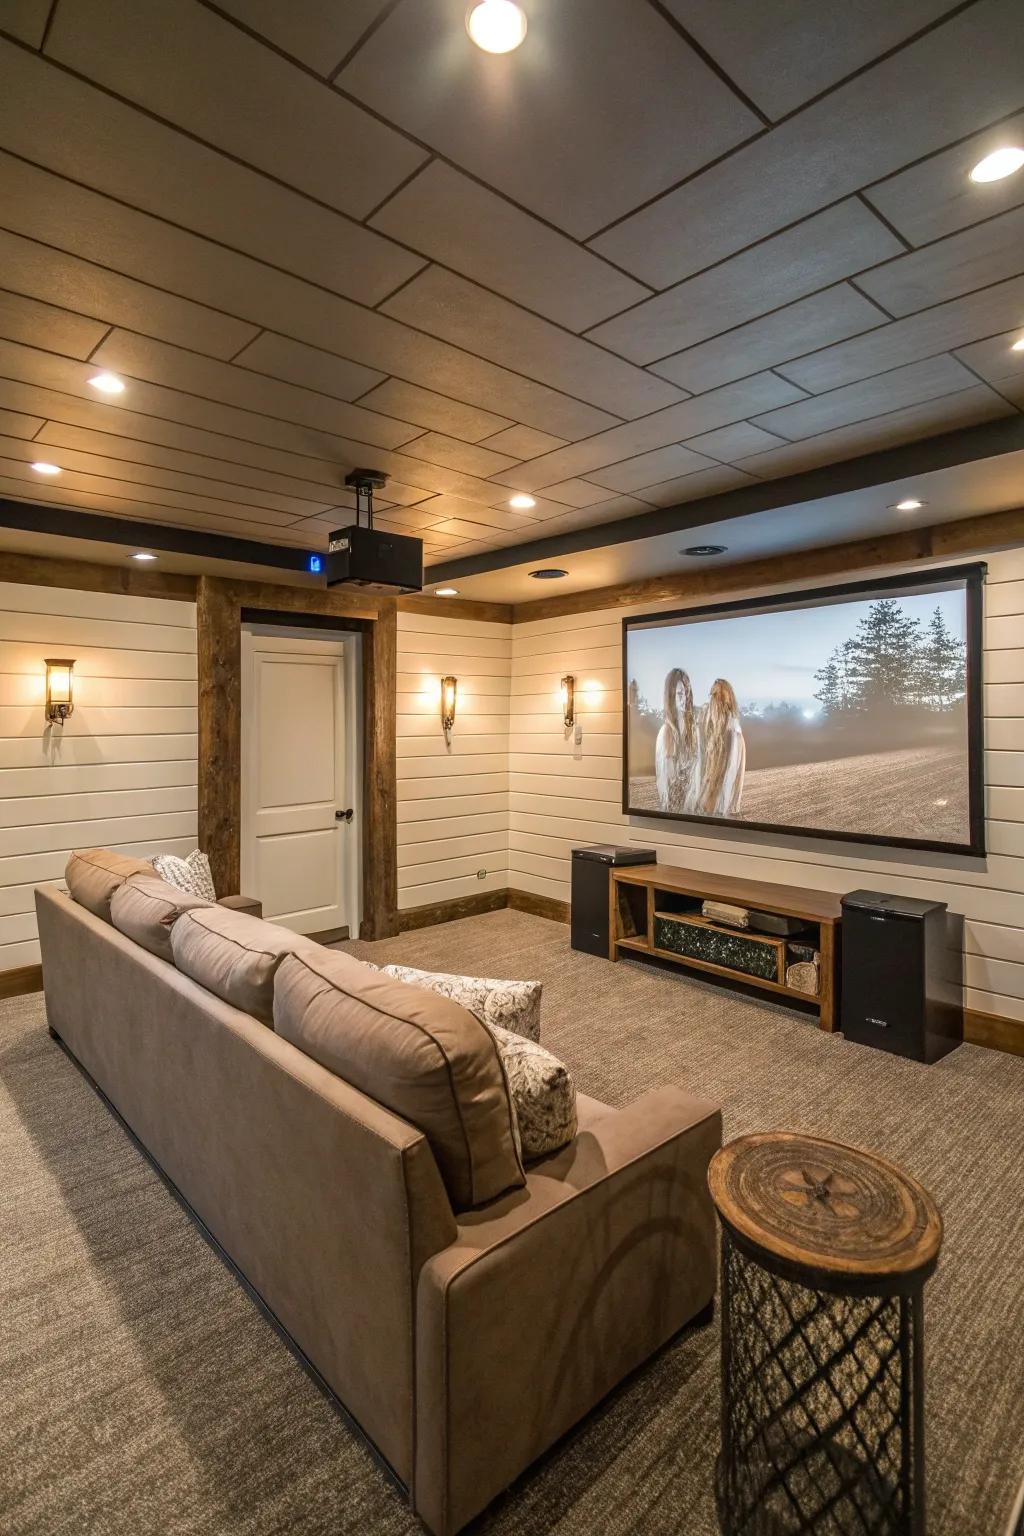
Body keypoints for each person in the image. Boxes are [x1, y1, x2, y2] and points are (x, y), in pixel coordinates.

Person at [655, 668, 700, 813]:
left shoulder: (695, 731)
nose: (684, 698)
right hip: (672, 811)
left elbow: (698, 773)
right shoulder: (664, 734)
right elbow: (662, 779)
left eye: (686, 692)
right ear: (671, 696)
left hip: (692, 809)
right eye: (680, 694)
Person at [700, 678, 746, 817]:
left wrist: (721, 809)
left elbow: (730, 774)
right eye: (713, 695)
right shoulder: (713, 727)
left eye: (719, 697)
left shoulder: (733, 733)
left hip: (719, 810)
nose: (715, 701)